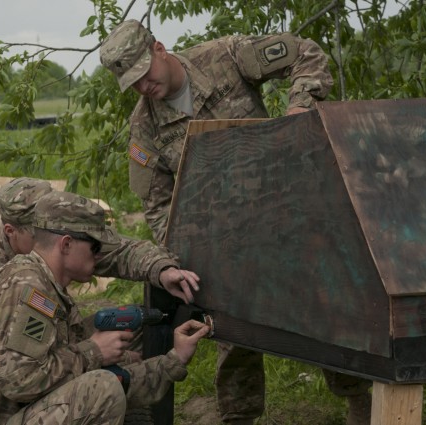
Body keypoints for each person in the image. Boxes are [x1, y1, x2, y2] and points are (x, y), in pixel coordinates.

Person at [100, 19, 370, 425]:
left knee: (325, 312)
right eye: (132, 83)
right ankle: (239, 417)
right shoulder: (145, 127)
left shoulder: (225, 57)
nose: (143, 87)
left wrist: (299, 108)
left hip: (287, 209)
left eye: (145, 74)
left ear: (159, 48)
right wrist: (180, 257)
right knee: (233, 329)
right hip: (223, 238)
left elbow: (306, 53)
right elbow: (157, 206)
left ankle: (357, 400)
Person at [0, 190, 211, 425]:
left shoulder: (43, 282)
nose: (100, 255)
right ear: (65, 245)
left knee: (110, 368)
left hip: (25, 411)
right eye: (95, 246)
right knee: (101, 388)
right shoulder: (27, 288)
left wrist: (175, 359)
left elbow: (90, 373)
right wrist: (94, 351)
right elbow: (19, 381)